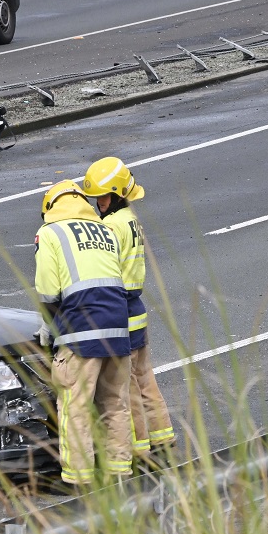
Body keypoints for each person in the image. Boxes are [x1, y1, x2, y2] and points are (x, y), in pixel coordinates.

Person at [34, 180, 132, 487]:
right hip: (118, 326)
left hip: (80, 329)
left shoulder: (50, 233)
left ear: (49, 208)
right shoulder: (105, 230)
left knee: (74, 405)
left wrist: (50, 331)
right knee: (114, 401)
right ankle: (120, 471)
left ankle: (78, 478)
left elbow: (49, 292)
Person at [81, 157, 175, 465]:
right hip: (136, 307)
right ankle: (163, 436)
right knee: (145, 377)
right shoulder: (130, 219)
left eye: (104, 197)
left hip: (121, 310)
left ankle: (139, 448)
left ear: (119, 194)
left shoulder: (109, 227)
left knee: (128, 387)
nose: (99, 204)